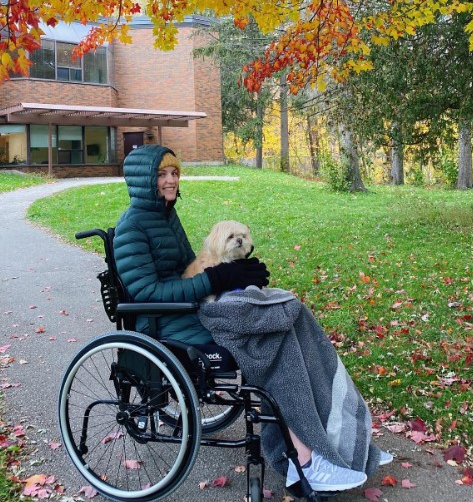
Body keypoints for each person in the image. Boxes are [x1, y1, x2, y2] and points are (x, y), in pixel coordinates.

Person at [113, 145, 392, 494]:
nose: (171, 180)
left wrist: (232, 272)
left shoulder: (166, 216)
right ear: (143, 180)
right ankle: (303, 460)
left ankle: (347, 441)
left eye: (174, 173)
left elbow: (192, 264)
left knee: (296, 319)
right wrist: (215, 280)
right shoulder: (132, 227)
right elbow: (146, 294)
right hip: (167, 321)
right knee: (273, 339)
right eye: (161, 175)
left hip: (193, 306)